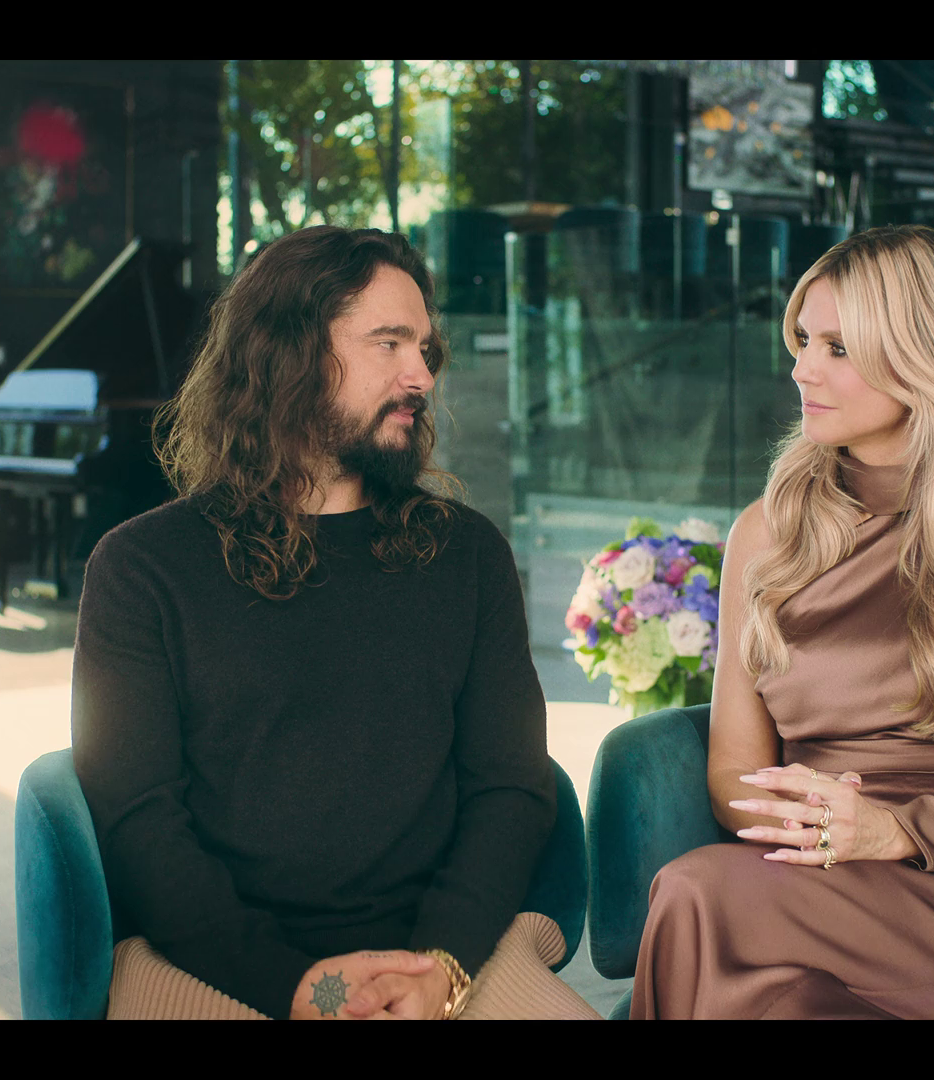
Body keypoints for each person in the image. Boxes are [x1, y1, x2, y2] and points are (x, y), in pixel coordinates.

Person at [72, 226, 598, 1020]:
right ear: (286, 355)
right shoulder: (142, 568)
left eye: (424, 348)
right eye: (389, 343)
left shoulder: (468, 554)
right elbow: (136, 821)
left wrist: (439, 970)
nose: (422, 374)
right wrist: (304, 990)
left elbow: (510, 788)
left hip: (446, 956)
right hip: (217, 964)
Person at [631, 225, 934, 1020]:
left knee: (696, 898)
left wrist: (890, 830)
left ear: (924, 357)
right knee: (761, 978)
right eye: (803, 341)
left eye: (838, 347)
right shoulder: (765, 534)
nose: (802, 369)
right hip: (818, 875)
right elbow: (735, 769)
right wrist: (817, 826)